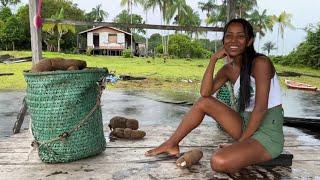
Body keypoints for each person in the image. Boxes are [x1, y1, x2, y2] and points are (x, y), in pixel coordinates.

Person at [145, 18, 284, 173]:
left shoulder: (261, 63)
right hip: (245, 125)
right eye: (229, 36)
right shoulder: (228, 69)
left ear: (249, 41)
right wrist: (213, 60)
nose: (233, 40)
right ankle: (171, 143)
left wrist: (239, 143)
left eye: (240, 36)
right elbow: (205, 93)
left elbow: (260, 109)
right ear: (223, 40)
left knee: (218, 161)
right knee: (203, 102)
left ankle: (244, 146)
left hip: (267, 133)